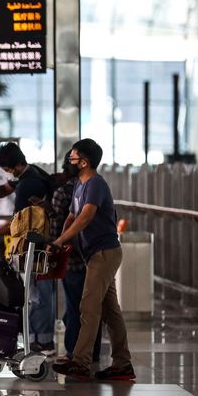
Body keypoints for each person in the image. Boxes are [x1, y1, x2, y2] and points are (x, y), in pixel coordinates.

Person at [51, 139, 135, 381]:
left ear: (85, 162)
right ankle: (122, 364)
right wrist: (62, 238)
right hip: (95, 254)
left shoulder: (96, 184)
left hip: (104, 253)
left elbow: (86, 217)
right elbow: (71, 215)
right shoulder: (79, 183)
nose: (70, 160)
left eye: (74, 157)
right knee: (111, 312)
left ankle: (80, 362)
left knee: (88, 307)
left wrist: (61, 240)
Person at [0, 142, 52, 352]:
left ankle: (42, 340)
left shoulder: (29, 184)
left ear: (16, 165)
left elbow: (18, 223)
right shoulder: (28, 174)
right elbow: (6, 188)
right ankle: (38, 338)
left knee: (36, 296)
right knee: (36, 294)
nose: (6, 173)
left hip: (36, 246)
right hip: (37, 244)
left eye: (7, 169)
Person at [47, 153, 103, 363]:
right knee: (90, 306)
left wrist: (56, 244)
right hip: (90, 253)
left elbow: (61, 224)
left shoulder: (62, 193)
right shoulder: (86, 187)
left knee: (73, 305)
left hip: (72, 257)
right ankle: (93, 351)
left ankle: (73, 351)